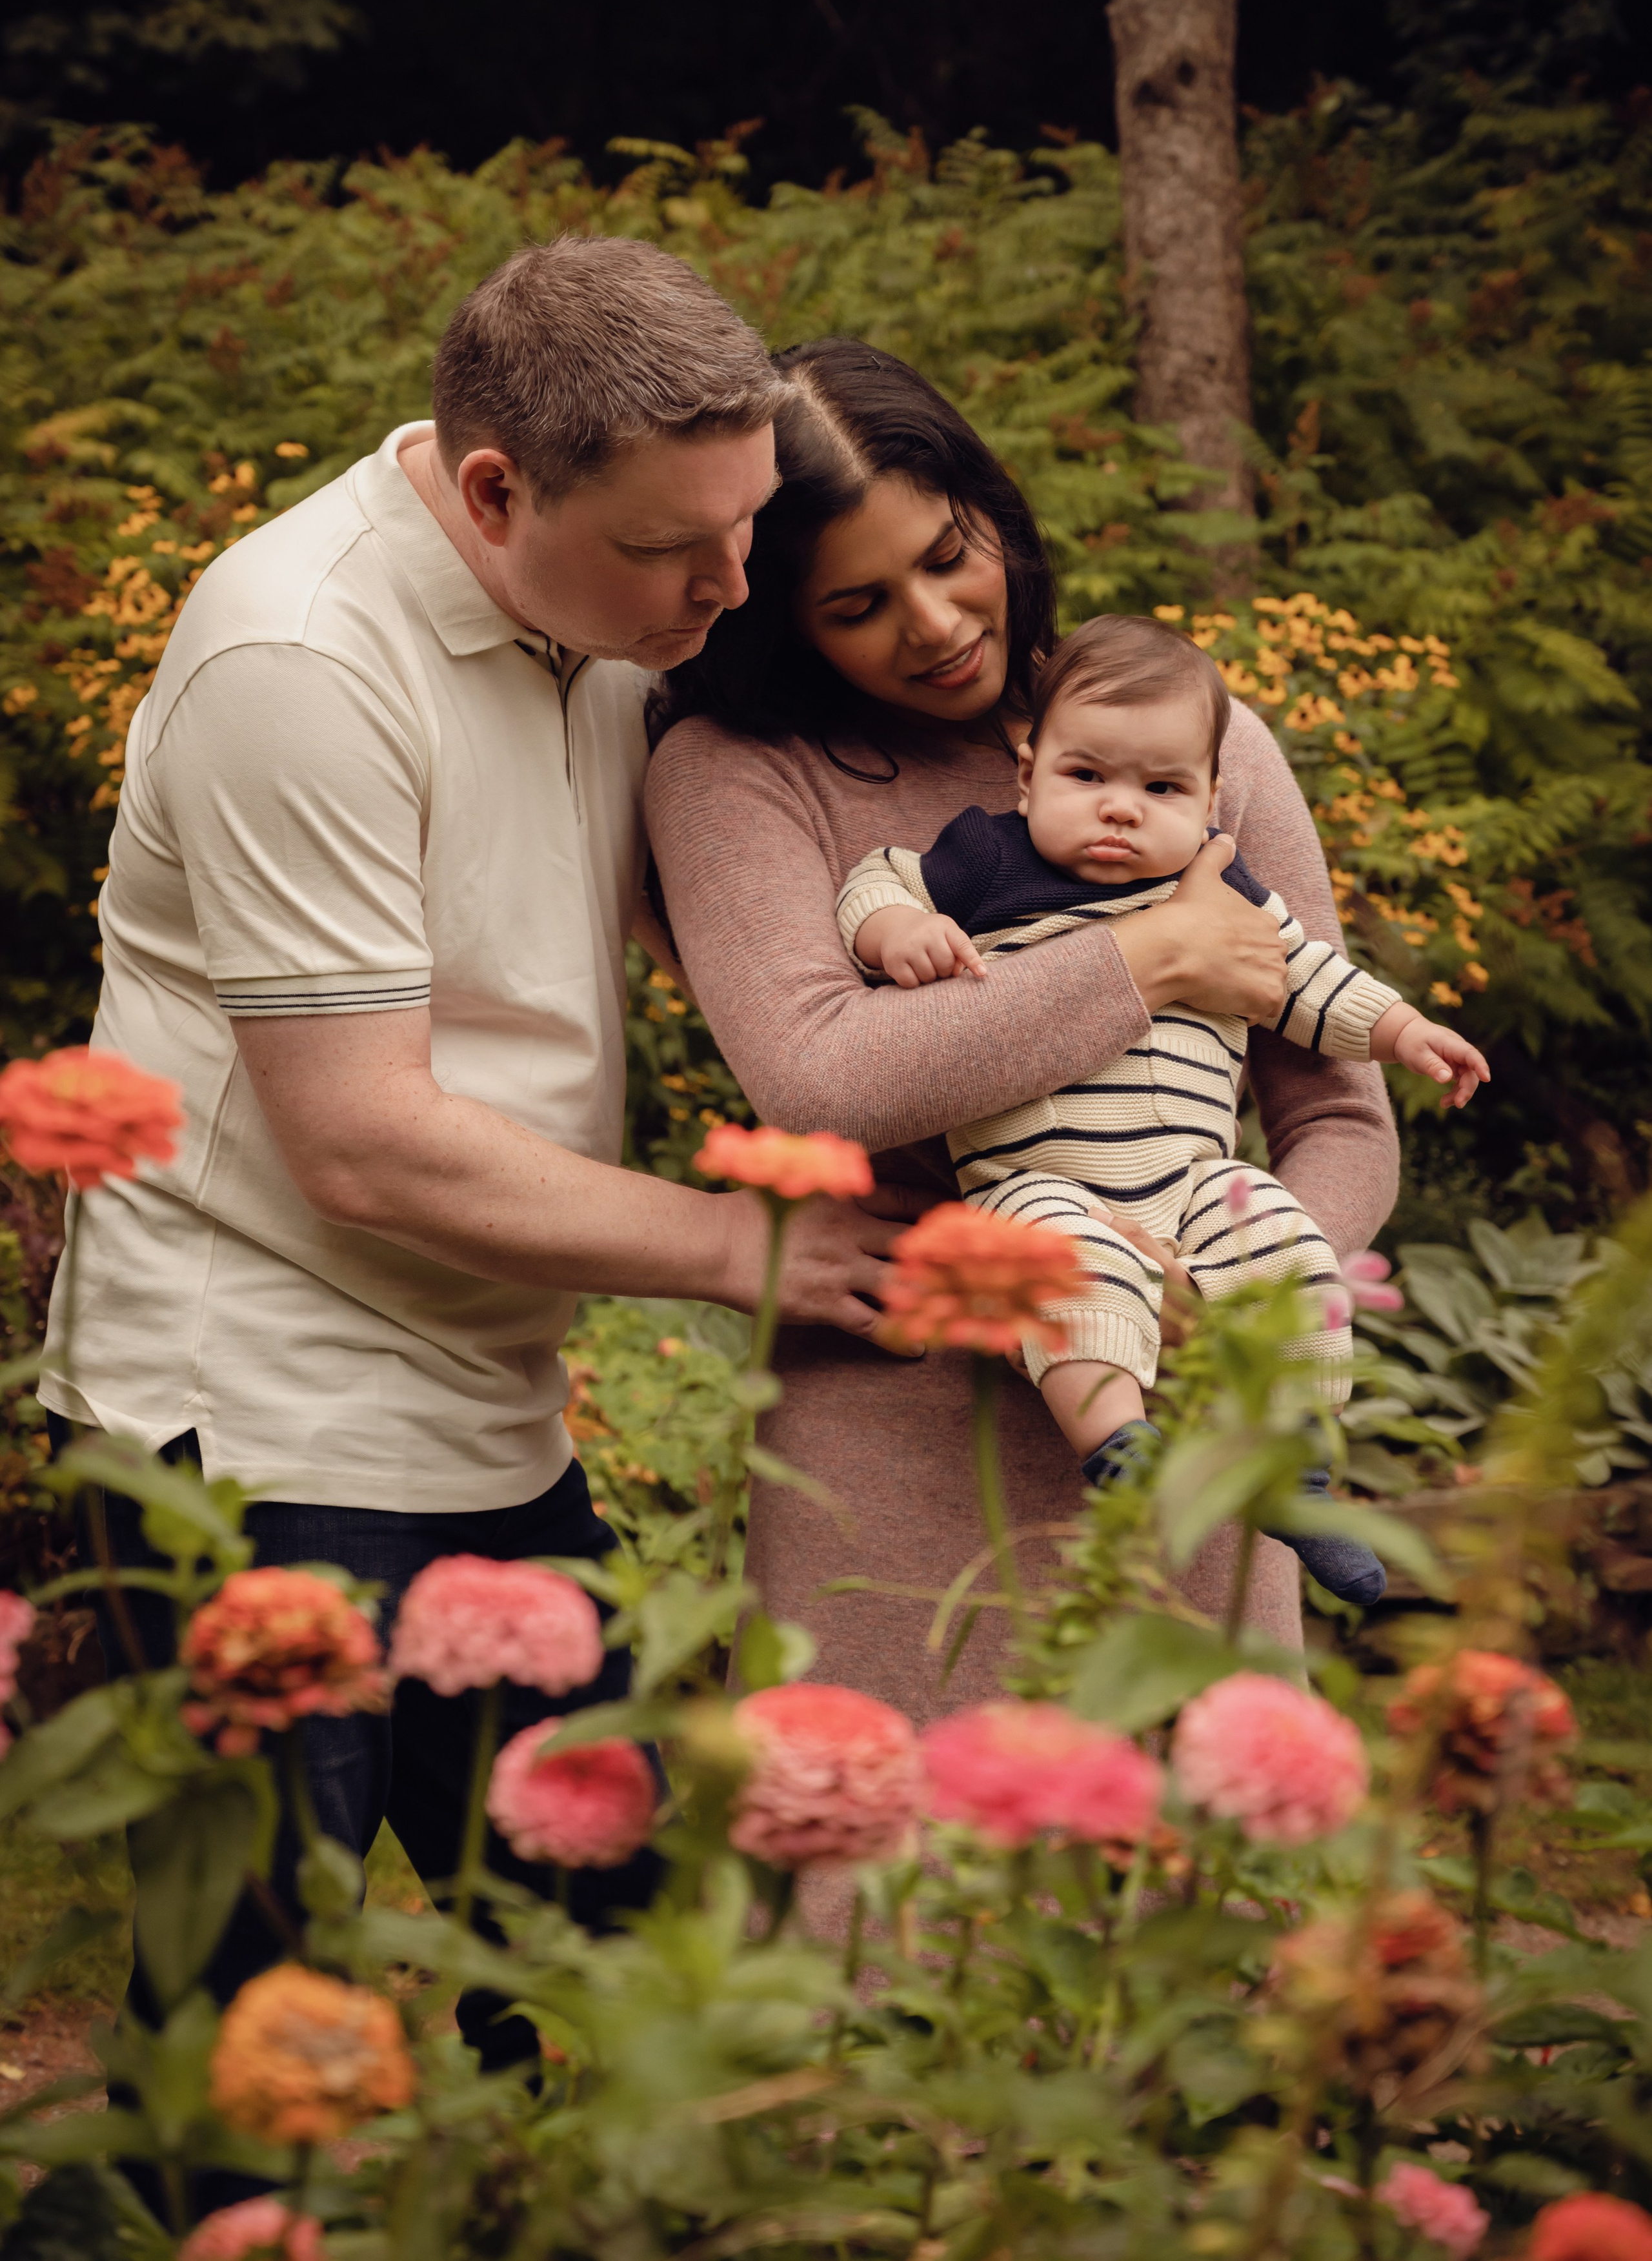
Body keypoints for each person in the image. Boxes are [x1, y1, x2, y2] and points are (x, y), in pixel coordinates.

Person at [39, 239, 911, 2106]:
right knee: (238, 2066)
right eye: (682, 545)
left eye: (746, 526)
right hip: (248, 1436)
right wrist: (764, 1250)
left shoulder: (611, 616)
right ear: (497, 489)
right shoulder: (301, 650)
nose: (730, 585)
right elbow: (359, 1135)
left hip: (486, 1422)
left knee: (606, 2009)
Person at [646, 336, 1405, 1722]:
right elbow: (822, 1077)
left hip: (1189, 1426)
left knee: (1201, 1901)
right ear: (781, 617)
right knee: (901, 1909)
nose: (933, 623)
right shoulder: (738, 778)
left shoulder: (1182, 735)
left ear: (994, 510)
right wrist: (1151, 951)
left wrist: (1229, 1291)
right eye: (859, 602)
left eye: (949, 554)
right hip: (893, 1457)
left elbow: (1337, 1111)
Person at [836, 613, 1488, 1604]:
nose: (1120, 812)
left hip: (1195, 1180)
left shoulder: (1220, 888)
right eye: (1086, 777)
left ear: (1212, 800)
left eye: (1161, 788)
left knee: (1290, 1247)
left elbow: (1305, 976)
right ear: (1028, 776)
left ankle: (1297, 1473)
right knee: (1065, 1273)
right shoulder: (991, 864)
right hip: (1036, 1182)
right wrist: (897, 932)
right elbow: (874, 877)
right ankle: (1117, 1446)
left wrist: (1401, 1031)